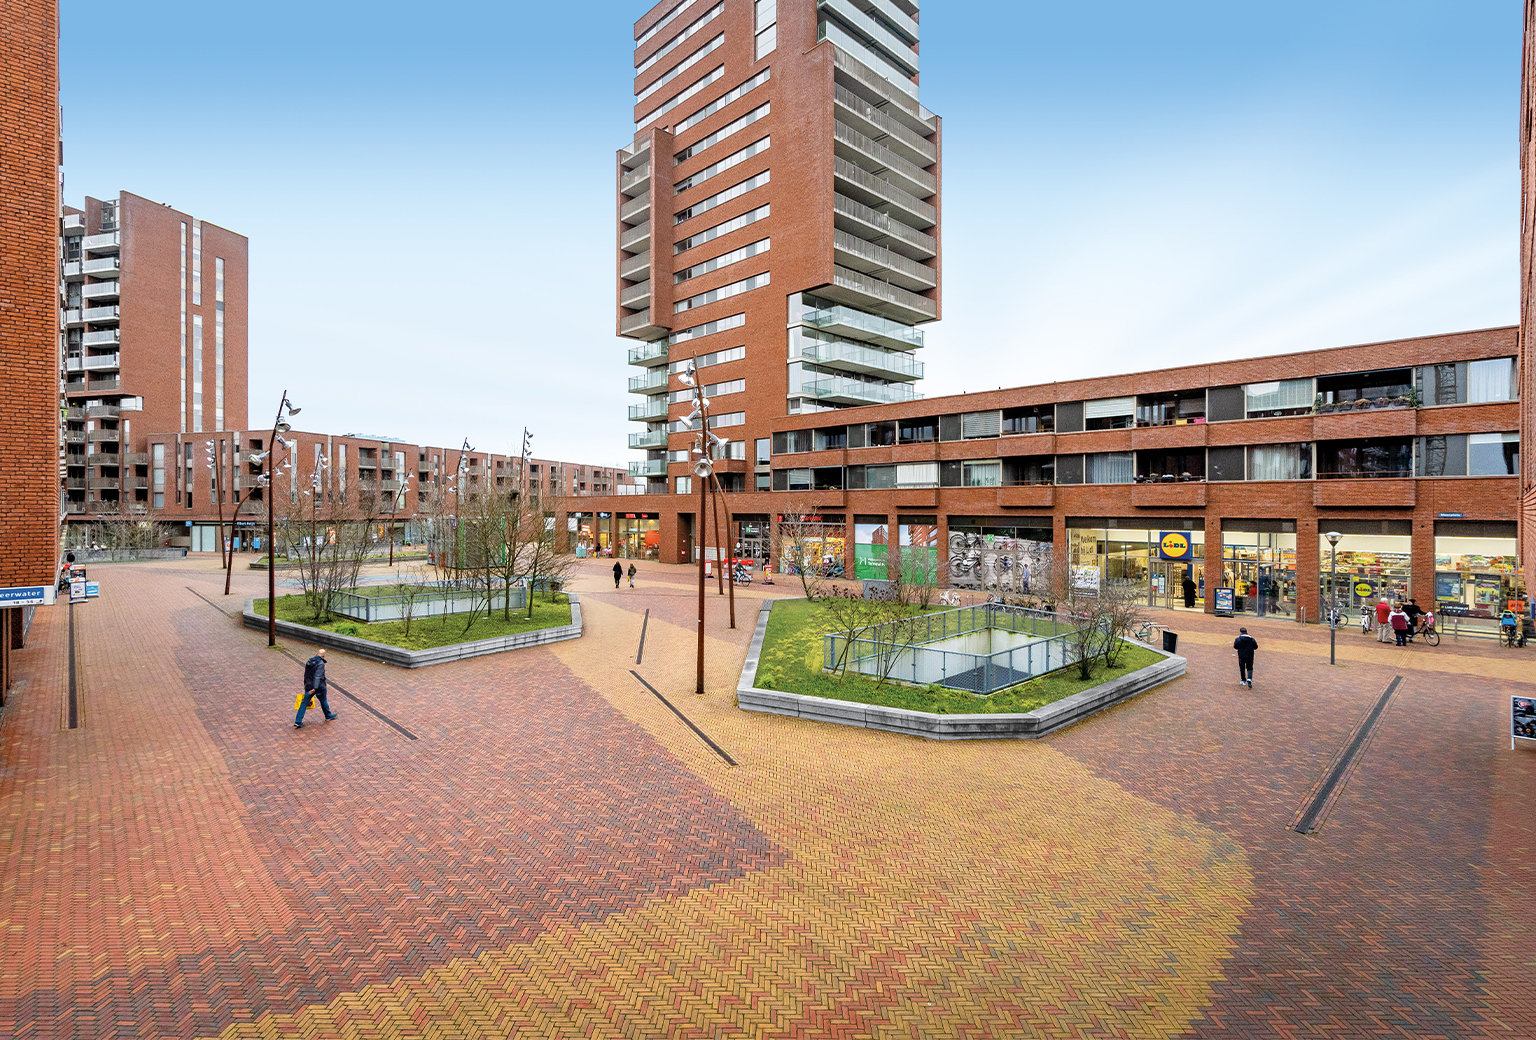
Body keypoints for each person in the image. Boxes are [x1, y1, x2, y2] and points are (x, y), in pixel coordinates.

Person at [295, 648, 336, 728]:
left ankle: (298, 721)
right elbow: (318, 676)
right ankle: (328, 715)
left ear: (316, 653)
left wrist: (305, 686)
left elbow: (306, 675)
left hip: (308, 686)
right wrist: (315, 688)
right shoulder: (320, 663)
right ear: (323, 656)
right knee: (323, 701)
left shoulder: (309, 662)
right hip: (319, 687)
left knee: (304, 703)